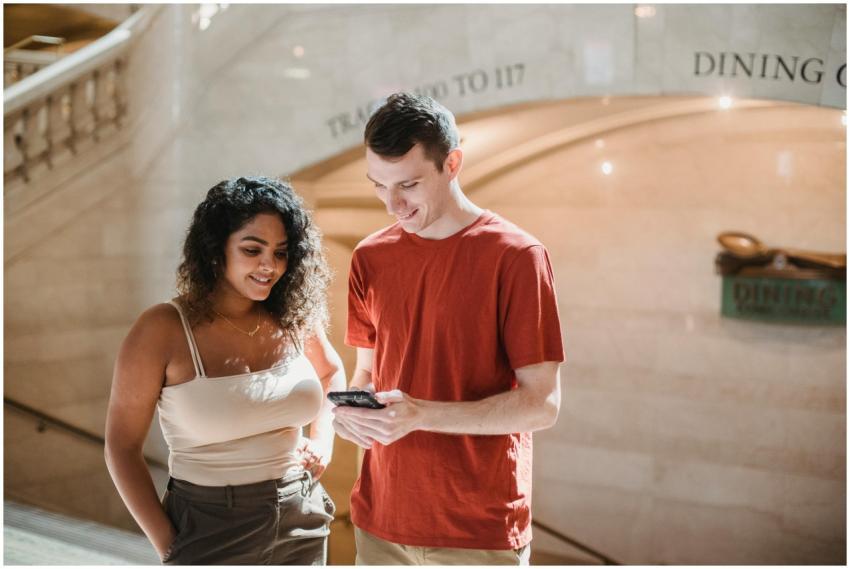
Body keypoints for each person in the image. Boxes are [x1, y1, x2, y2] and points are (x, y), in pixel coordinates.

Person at [332, 93, 565, 565]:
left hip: (478, 531)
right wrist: (349, 414)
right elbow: (368, 376)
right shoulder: (369, 258)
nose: (392, 204)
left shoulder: (518, 257)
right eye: (378, 185)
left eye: (409, 185)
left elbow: (541, 405)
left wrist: (421, 414)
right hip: (379, 522)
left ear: (452, 163)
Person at [105, 176, 345, 565]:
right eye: (253, 250)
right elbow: (121, 447)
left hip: (301, 514)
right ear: (216, 251)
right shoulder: (162, 328)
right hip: (207, 522)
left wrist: (323, 444)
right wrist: (170, 545)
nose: (270, 266)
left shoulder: (293, 317)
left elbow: (331, 372)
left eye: (282, 253)